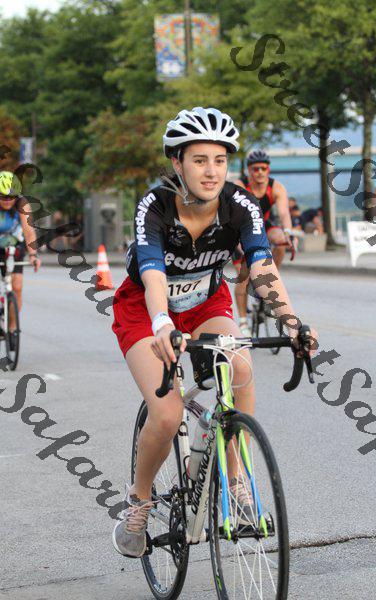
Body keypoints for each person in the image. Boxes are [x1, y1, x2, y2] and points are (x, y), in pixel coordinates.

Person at [111, 107, 312, 559]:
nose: (211, 171)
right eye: (199, 160)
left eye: (219, 160)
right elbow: (152, 273)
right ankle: (138, 501)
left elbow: (262, 267)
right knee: (167, 415)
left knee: (241, 368)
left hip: (206, 301)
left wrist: (291, 322)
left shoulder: (240, 205)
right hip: (146, 307)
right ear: (177, 162)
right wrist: (161, 322)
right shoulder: (155, 206)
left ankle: (236, 477)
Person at [232, 149, 294, 336]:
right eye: (255, 169)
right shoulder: (239, 186)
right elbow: (232, 217)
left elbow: (284, 213)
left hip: (262, 224)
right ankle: (243, 321)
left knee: (281, 241)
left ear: (268, 170)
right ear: (249, 170)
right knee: (243, 277)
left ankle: (269, 279)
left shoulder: (276, 187)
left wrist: (288, 233)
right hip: (240, 228)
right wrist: (239, 246)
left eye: (263, 168)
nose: (259, 172)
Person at [0, 171, 41, 346]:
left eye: (12, 197)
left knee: (17, 286)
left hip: (15, 246)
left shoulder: (22, 204)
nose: (8, 200)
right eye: (3, 197)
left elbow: (29, 231)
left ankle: (12, 328)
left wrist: (33, 255)